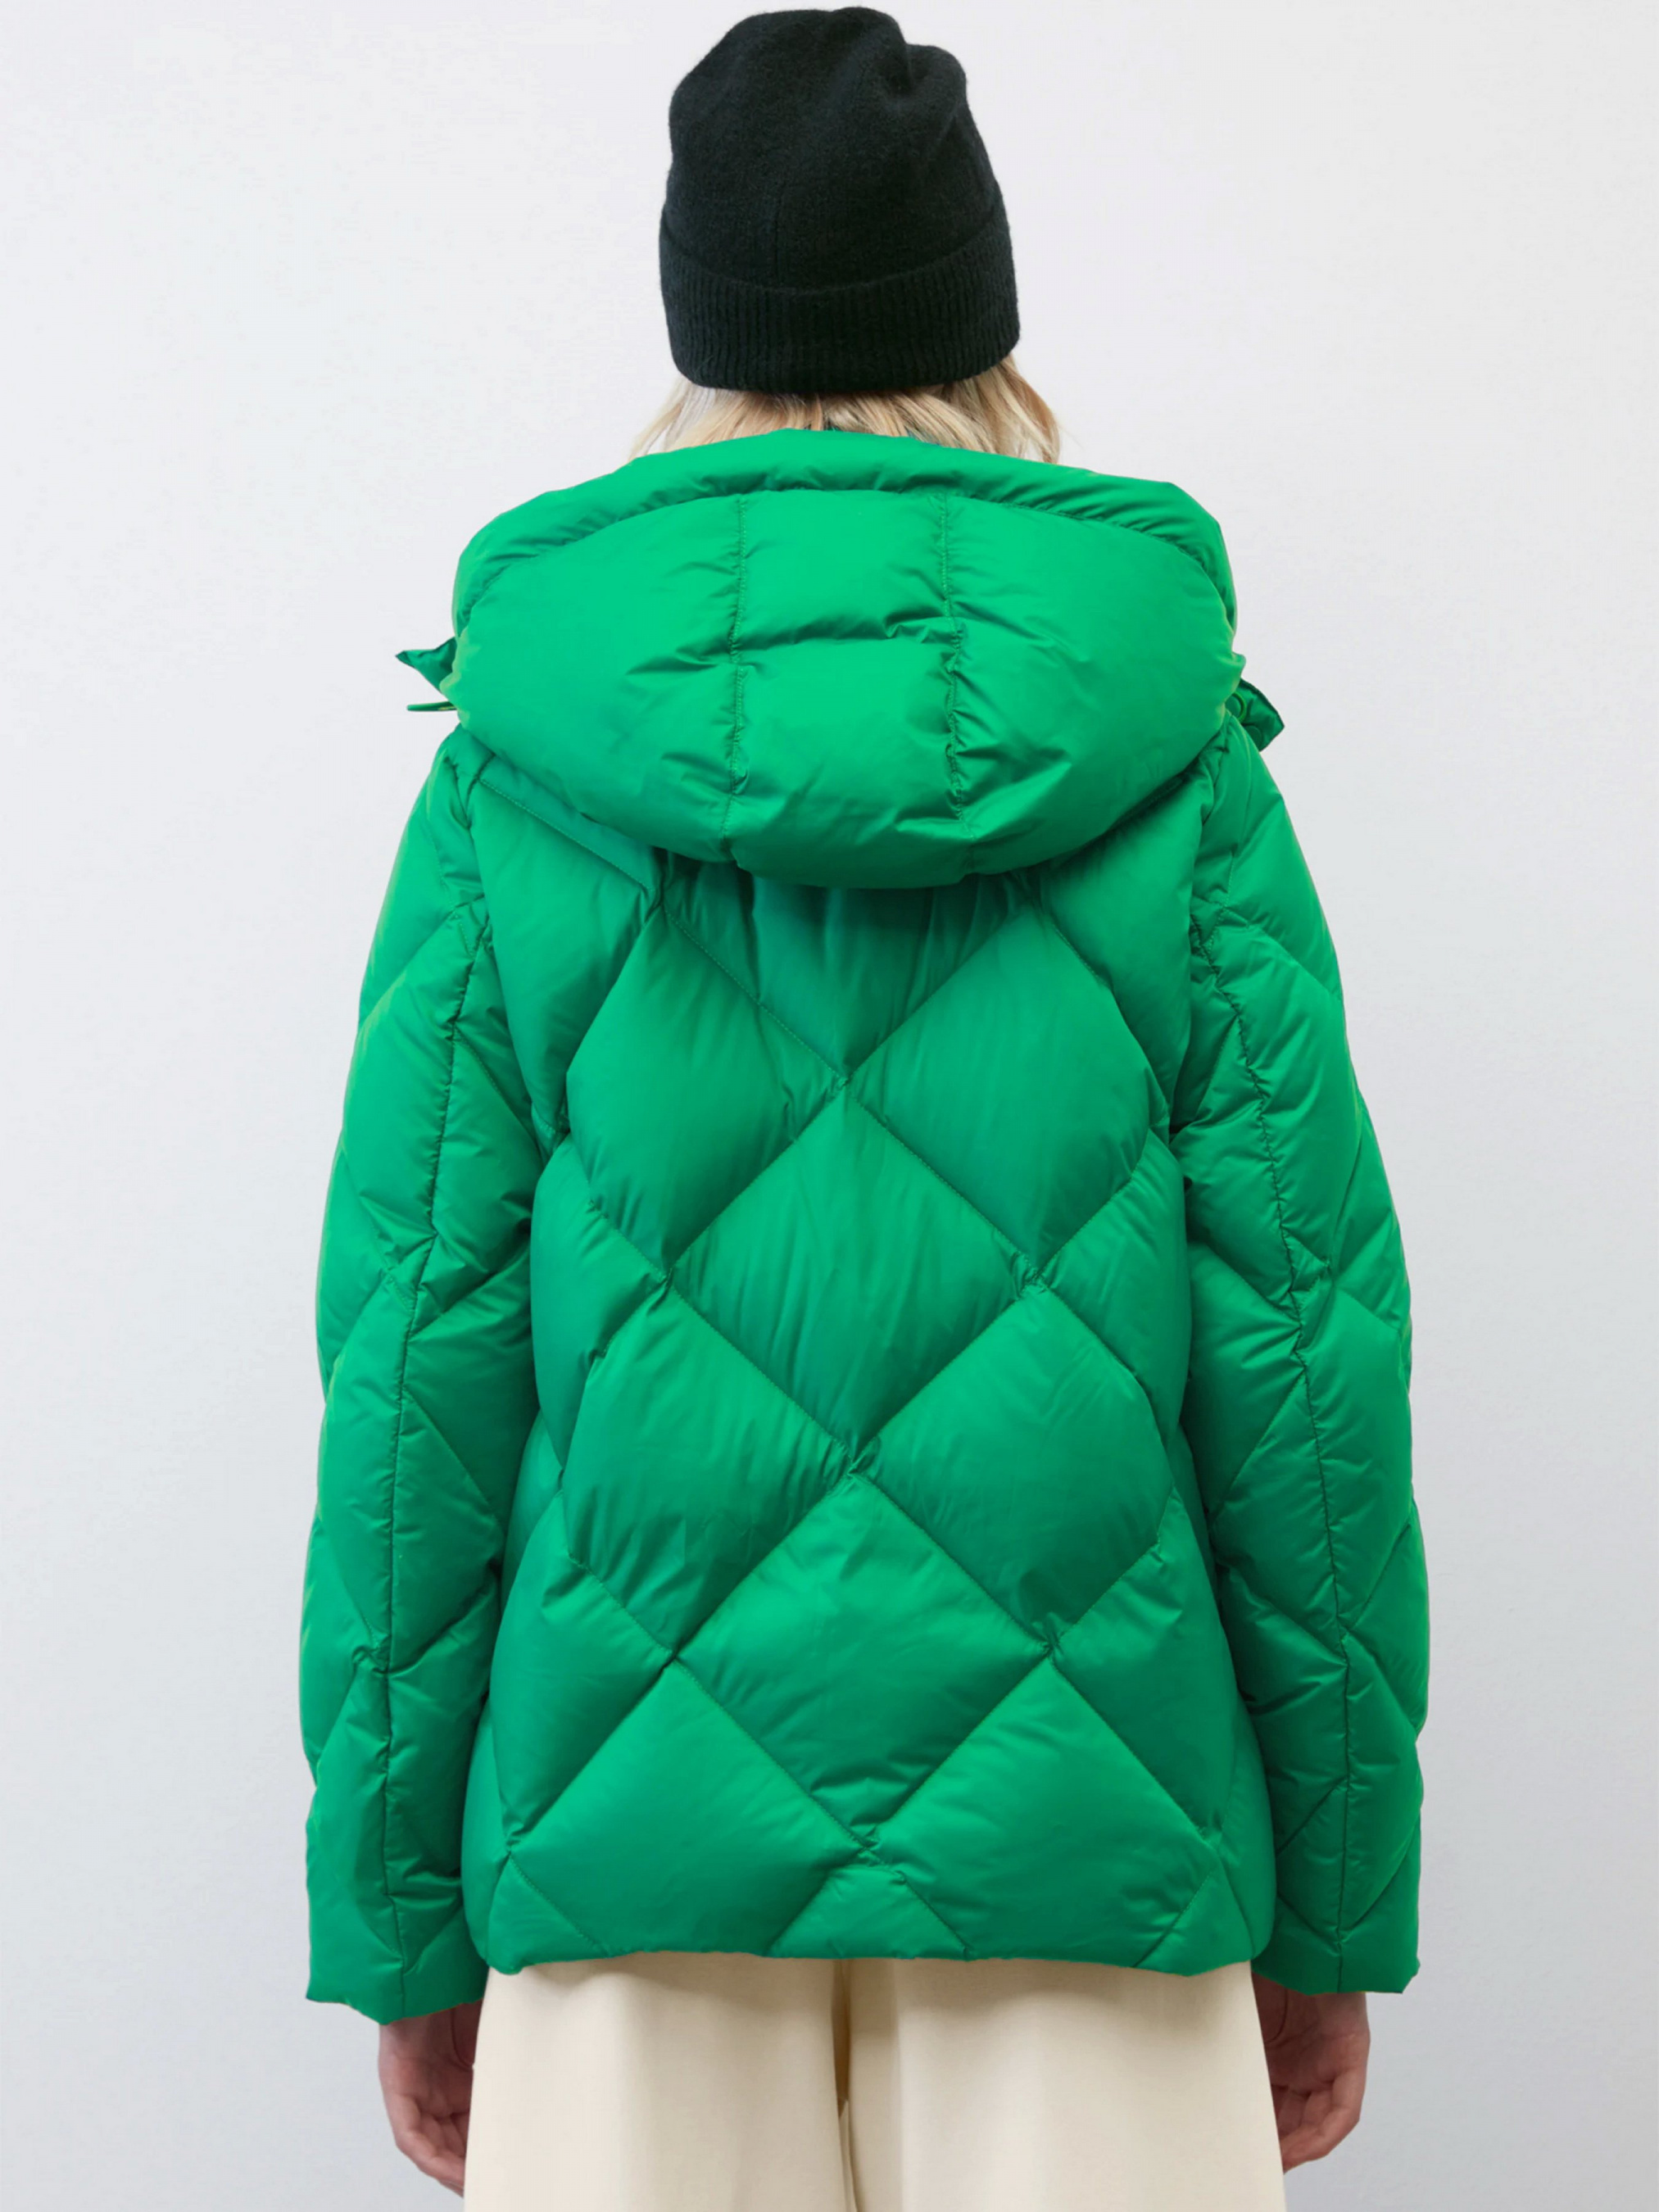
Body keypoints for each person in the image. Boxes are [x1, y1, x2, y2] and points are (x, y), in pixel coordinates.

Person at [299, 11, 1428, 2208]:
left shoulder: (517, 766)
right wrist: (1331, 1906)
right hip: (1095, 1837)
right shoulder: (1174, 756)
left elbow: (414, 1368)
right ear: (976, 316)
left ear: (700, 327)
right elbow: (1307, 1369)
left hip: (618, 1843)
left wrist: (404, 1918)